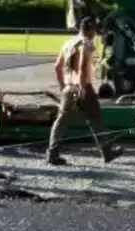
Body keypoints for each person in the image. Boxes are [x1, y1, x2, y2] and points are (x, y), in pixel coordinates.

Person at [46, 16, 124, 166]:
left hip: (69, 87)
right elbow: (82, 67)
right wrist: (82, 89)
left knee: (61, 120)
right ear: (89, 29)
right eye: (95, 29)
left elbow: (57, 66)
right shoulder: (86, 44)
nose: (96, 32)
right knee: (96, 119)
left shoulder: (68, 43)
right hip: (83, 87)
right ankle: (107, 152)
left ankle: (52, 153)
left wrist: (63, 86)